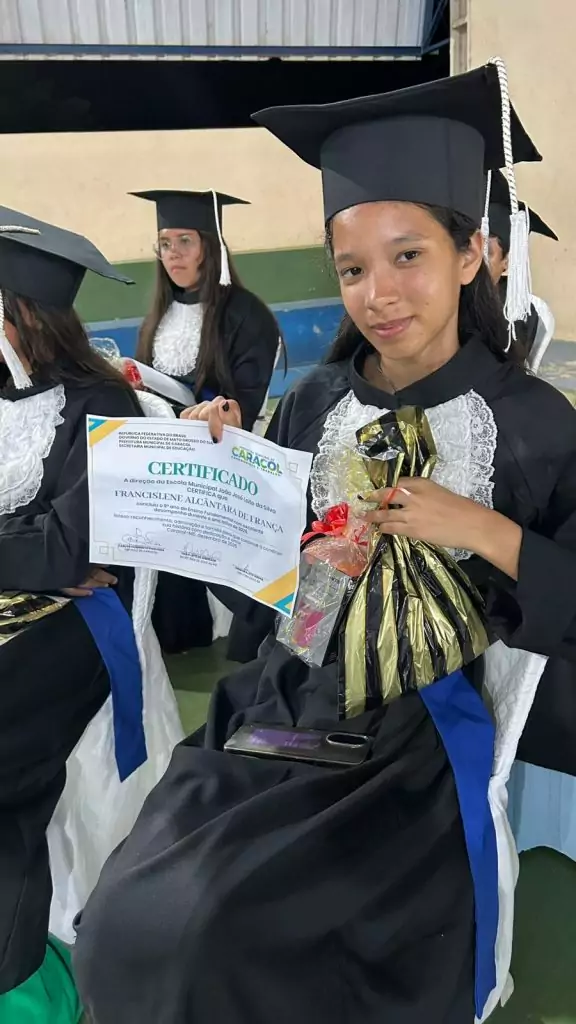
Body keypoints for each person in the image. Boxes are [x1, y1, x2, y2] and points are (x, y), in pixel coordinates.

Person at [74, 62, 576, 1024]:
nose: (378, 295)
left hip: (415, 729)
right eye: (352, 269)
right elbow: (273, 589)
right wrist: (223, 473)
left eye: (408, 258)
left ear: (472, 255)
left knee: (221, 932)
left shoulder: (535, 424)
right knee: (130, 921)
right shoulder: (314, 402)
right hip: (285, 695)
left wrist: (482, 528)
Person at [0, 209, 182, 1016]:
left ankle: (18, 968)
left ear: (21, 316)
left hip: (76, 626)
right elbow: (53, 542)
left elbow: (79, 551)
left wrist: (47, 547)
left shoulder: (101, 400)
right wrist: (31, 541)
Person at [132, 188, 281, 653]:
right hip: (166, 461)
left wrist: (195, 410)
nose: (173, 254)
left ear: (209, 247)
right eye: (164, 243)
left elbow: (243, 405)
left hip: (219, 467)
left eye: (185, 241)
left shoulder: (245, 313)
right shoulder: (159, 312)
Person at [486, 168, 557, 364]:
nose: (472, 261)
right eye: (465, 248)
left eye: (487, 253)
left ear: (507, 261)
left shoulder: (517, 315)